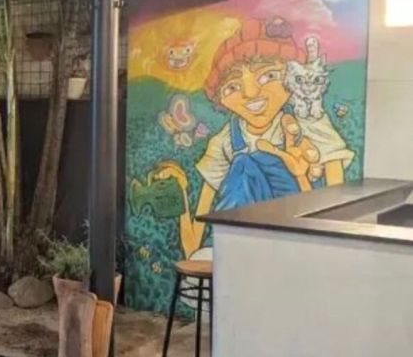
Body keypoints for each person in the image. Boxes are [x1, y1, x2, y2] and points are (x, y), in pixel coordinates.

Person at [152, 18, 354, 260]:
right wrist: (180, 193)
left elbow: (334, 200)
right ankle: (232, 248)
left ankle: (233, 248)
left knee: (245, 163)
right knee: (243, 164)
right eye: (232, 87)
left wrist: (329, 252)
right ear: (221, 98)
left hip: (296, 236)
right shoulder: (225, 141)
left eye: (268, 75)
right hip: (244, 248)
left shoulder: (305, 123)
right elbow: (196, 240)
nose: (251, 93)